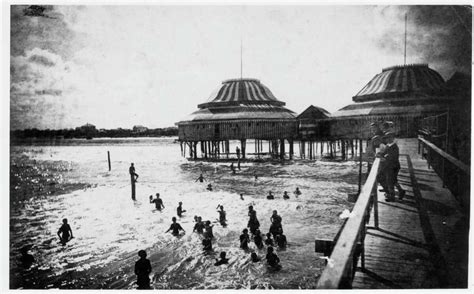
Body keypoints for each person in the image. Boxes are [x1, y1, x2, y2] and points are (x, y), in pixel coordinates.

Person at [379, 132, 401, 202]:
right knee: (393, 180)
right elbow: (385, 152)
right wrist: (380, 154)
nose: (388, 139)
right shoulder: (388, 145)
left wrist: (385, 158)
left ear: (393, 138)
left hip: (394, 166)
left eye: (389, 138)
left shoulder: (394, 147)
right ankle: (401, 191)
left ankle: (392, 196)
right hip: (389, 166)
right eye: (387, 138)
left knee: (390, 181)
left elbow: (393, 158)